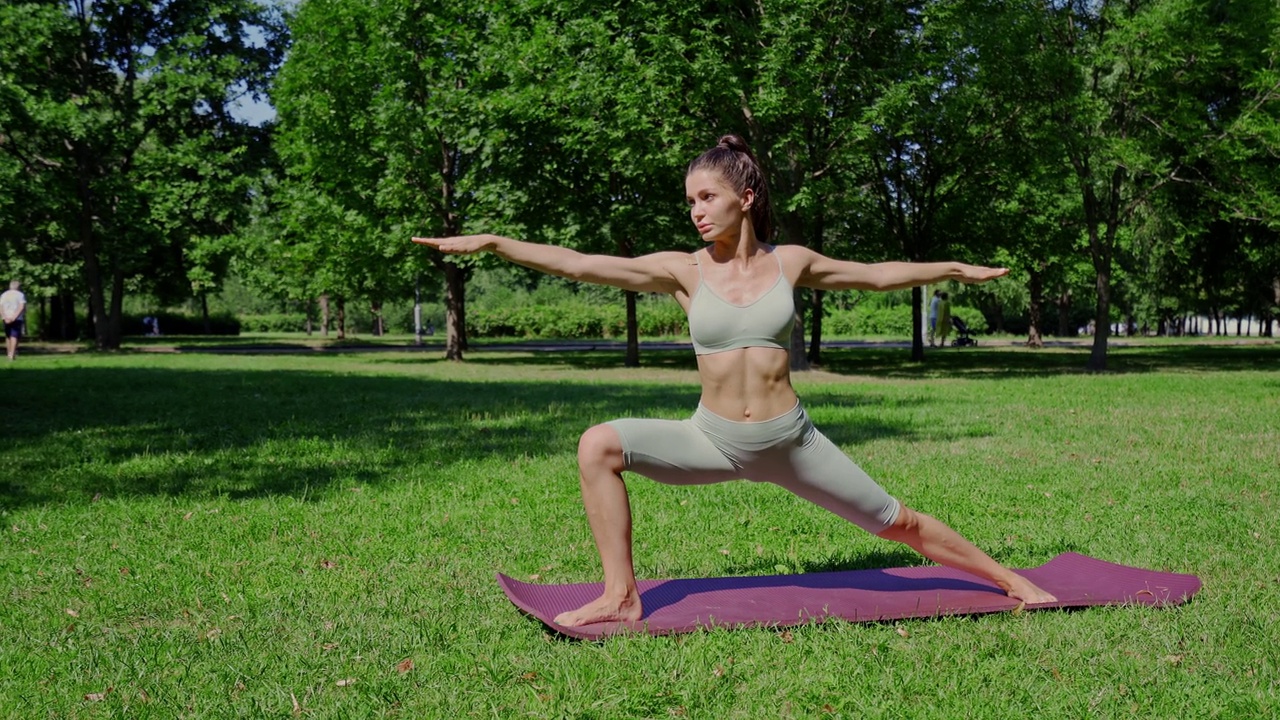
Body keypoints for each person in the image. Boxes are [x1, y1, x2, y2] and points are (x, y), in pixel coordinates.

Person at [413, 135, 1056, 627]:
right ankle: (620, 594)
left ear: (744, 199)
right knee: (597, 445)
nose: (695, 211)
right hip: (713, 438)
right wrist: (497, 242)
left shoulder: (792, 262)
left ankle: (1010, 581)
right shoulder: (682, 270)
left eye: (707, 197)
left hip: (792, 443)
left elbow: (877, 273)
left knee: (899, 523)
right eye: (690, 200)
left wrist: (951, 268)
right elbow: (582, 264)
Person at [1, 280, 27, 361]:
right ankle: (12, 354)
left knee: (8, 336)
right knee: (14, 336)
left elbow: (1, 307)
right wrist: (14, 317)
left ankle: (9, 353)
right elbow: (21, 307)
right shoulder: (20, 295)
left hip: (6, 318)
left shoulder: (4, 294)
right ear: (18, 287)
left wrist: (4, 317)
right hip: (17, 318)